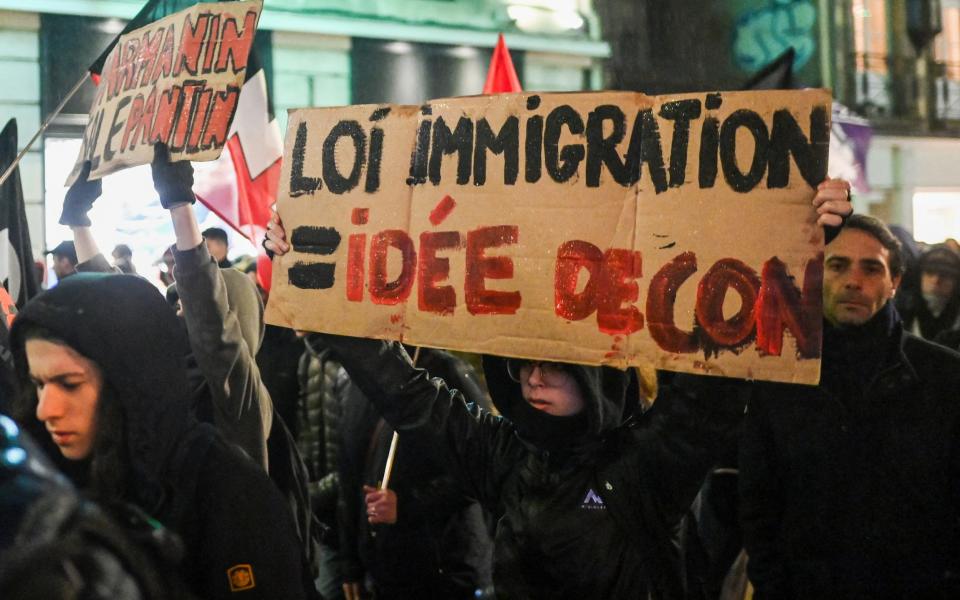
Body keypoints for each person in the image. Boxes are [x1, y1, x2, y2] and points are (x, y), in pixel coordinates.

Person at [264, 179, 853, 598]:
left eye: (555, 365)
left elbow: (715, 377)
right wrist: (313, 276)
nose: (535, 377)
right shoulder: (502, 454)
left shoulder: (647, 461)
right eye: (523, 365)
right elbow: (405, 393)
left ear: (594, 371)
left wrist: (801, 236)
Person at [7, 273, 312, 599]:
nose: (45, 409)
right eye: (39, 384)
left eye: (69, 384)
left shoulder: (227, 492)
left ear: (131, 381)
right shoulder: (49, 489)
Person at [739, 214, 960, 599]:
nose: (854, 281)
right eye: (837, 265)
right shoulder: (780, 376)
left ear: (895, 283)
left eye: (872, 268)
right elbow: (759, 499)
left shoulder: (944, 377)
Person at [337, 347, 494, 600]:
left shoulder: (447, 372)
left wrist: (409, 503)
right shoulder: (359, 377)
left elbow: (482, 466)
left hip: (444, 570)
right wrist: (350, 564)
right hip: (383, 570)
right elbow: (348, 473)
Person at [895, 243, 960, 341]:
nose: (936, 280)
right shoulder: (900, 311)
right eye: (930, 272)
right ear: (919, 276)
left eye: (945, 275)